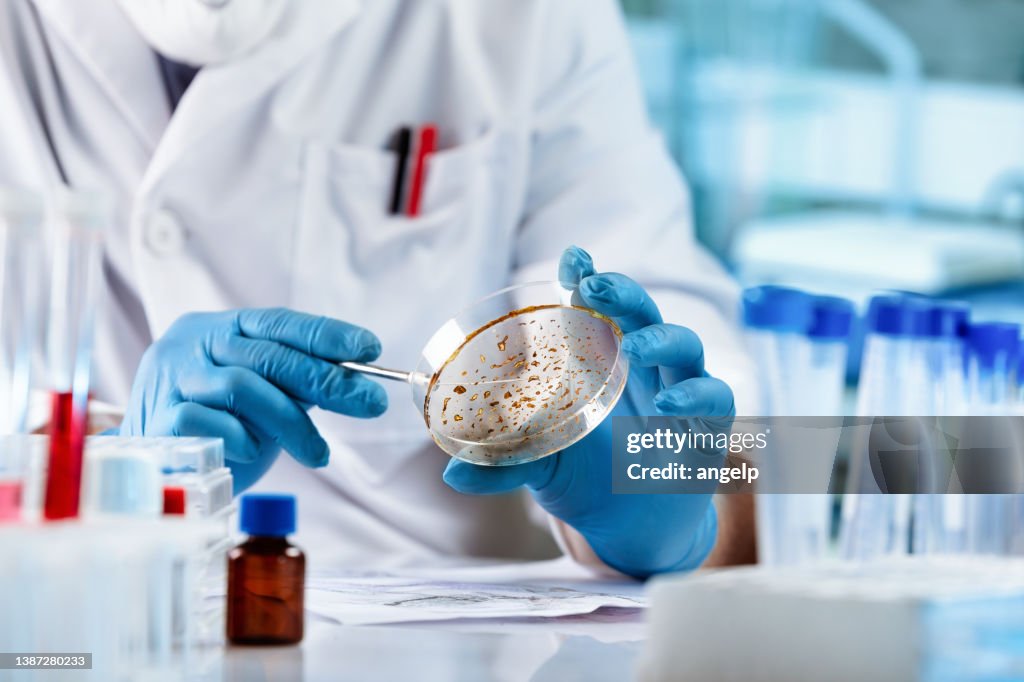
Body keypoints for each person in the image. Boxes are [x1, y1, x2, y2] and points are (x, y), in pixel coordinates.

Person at [0, 0, 757, 575]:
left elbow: (749, 477)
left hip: (448, 644)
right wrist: (104, 480)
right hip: (76, 622)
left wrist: (665, 498)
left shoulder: (533, 19)